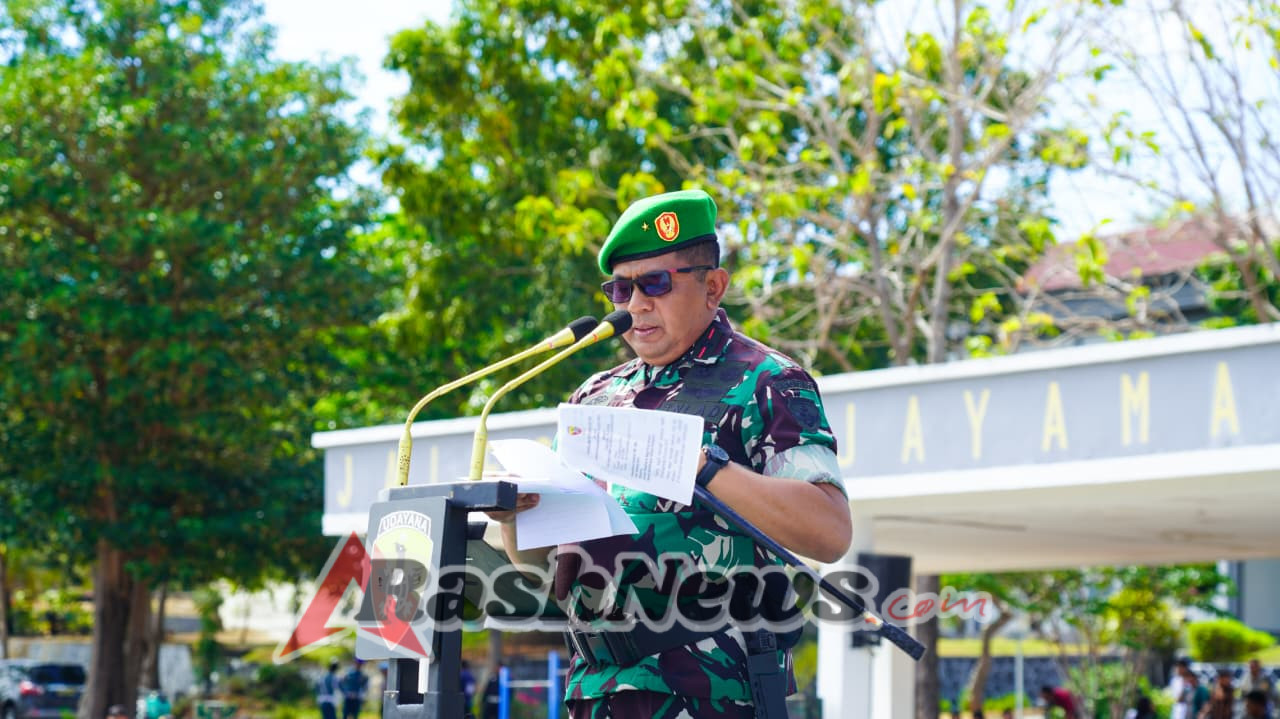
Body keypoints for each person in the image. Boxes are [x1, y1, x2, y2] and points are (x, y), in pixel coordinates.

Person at [489, 189, 852, 717]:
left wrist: (700, 465)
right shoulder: (596, 397)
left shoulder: (766, 381)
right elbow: (549, 571)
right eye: (620, 289)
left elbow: (829, 531)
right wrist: (514, 521)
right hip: (597, 690)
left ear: (713, 286)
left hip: (711, 694)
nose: (635, 304)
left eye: (655, 283)